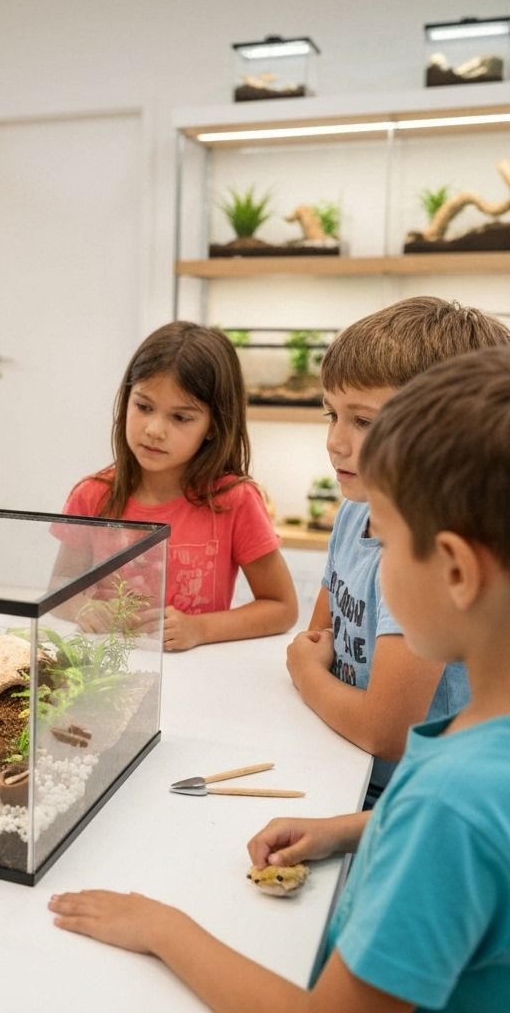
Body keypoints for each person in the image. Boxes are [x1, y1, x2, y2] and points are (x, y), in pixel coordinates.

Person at [49, 347, 510, 1011]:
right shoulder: (475, 755)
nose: (369, 549)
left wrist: (162, 928)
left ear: (457, 571)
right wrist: (351, 829)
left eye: (383, 536)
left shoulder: (448, 805)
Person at [285, 296, 510, 805]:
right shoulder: (353, 512)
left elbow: (384, 731)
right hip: (344, 765)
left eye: (364, 422)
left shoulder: (421, 560)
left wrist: (305, 673)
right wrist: (313, 666)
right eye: (332, 414)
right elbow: (322, 634)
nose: (335, 441)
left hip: (399, 793)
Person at [59, 321, 297, 651]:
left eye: (181, 417)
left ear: (213, 426)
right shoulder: (92, 494)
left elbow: (282, 607)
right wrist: (83, 608)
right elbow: (60, 589)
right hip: (105, 669)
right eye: (144, 407)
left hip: (198, 673)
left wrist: (199, 629)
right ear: (127, 400)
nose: (154, 430)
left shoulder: (235, 500)